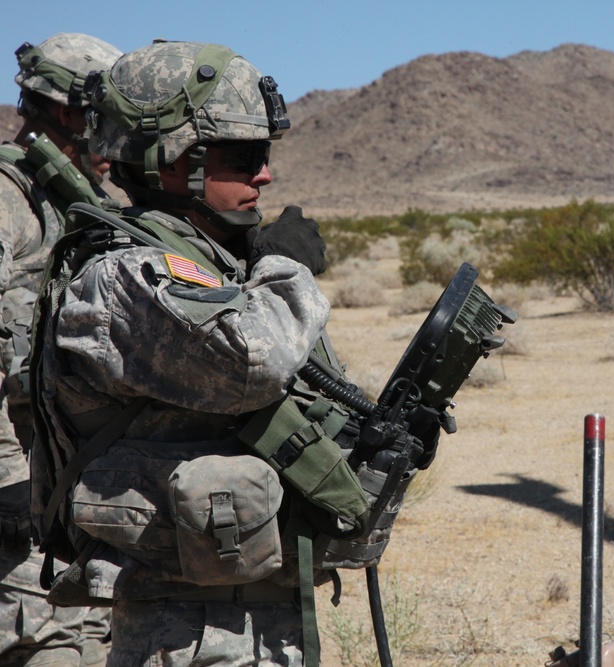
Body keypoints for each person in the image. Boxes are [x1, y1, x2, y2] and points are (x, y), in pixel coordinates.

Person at [28, 39, 428, 667]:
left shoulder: (209, 266)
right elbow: (255, 363)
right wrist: (285, 266)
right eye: (243, 157)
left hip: (253, 606)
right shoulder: (125, 275)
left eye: (263, 155)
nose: (264, 175)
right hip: (187, 632)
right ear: (169, 162)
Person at [0, 32, 122, 667]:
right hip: (17, 497)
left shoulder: (84, 206)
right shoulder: (8, 198)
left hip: (74, 490)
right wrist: (12, 484)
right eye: (106, 120)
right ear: (70, 113)